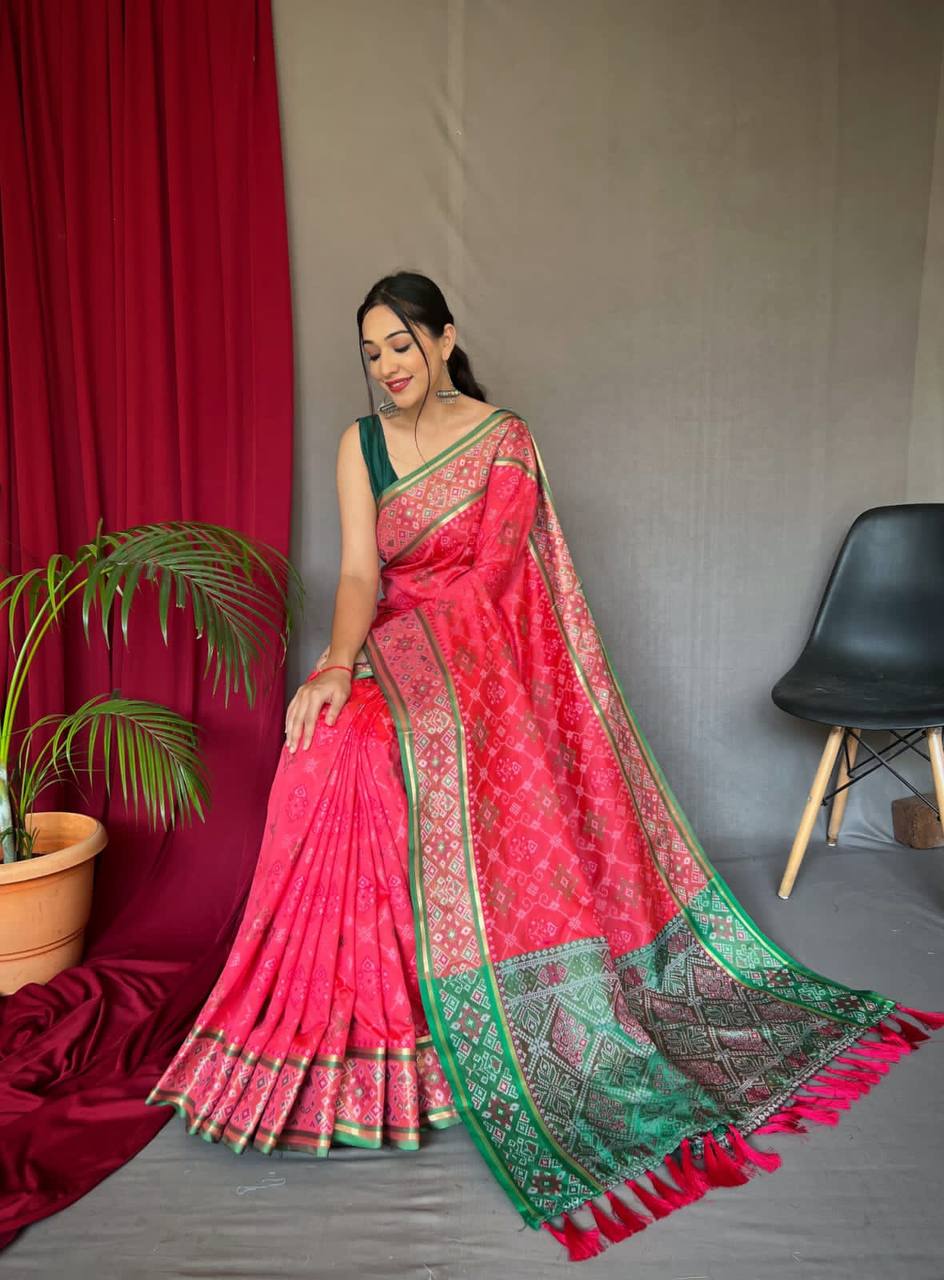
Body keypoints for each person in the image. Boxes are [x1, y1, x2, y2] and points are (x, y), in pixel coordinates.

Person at [147, 271, 940, 1263]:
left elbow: (490, 585)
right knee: (324, 748)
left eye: (402, 344)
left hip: (479, 660)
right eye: (372, 352)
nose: (387, 366)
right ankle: (352, 1037)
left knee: (380, 753)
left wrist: (415, 668)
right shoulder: (360, 444)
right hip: (390, 647)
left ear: (443, 340)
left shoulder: (503, 439)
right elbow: (357, 572)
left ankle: (437, 1024)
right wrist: (338, 665)